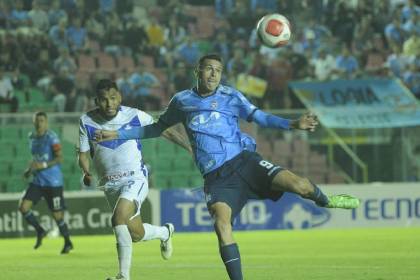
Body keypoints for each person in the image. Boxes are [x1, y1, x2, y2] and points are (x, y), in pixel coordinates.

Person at [95, 54, 360, 280]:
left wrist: (293, 124)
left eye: (218, 71)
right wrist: (118, 134)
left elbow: (259, 117)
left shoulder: (231, 96)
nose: (213, 74)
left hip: (246, 162)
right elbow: (156, 128)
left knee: (300, 186)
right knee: (222, 226)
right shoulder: (182, 101)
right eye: (208, 69)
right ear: (197, 71)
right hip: (217, 178)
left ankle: (325, 201)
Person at [78, 79, 191, 280]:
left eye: (113, 98)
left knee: (117, 218)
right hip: (110, 184)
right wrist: (86, 171)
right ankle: (165, 232)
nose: (109, 103)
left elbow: (163, 129)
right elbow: (83, 154)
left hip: (134, 178)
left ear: (120, 96)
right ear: (96, 100)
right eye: (104, 100)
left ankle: (123, 276)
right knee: (135, 234)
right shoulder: (86, 121)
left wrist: (189, 148)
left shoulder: (135, 115)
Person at [18, 111, 73, 254]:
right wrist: (29, 170)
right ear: (33, 122)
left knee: (57, 216)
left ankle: (68, 242)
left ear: (46, 122)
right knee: (23, 207)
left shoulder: (52, 138)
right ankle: (40, 230)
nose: (39, 123)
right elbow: (35, 159)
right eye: (37, 120)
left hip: (53, 183)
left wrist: (41, 166)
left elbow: (60, 158)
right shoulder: (32, 138)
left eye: (42, 120)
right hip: (38, 181)